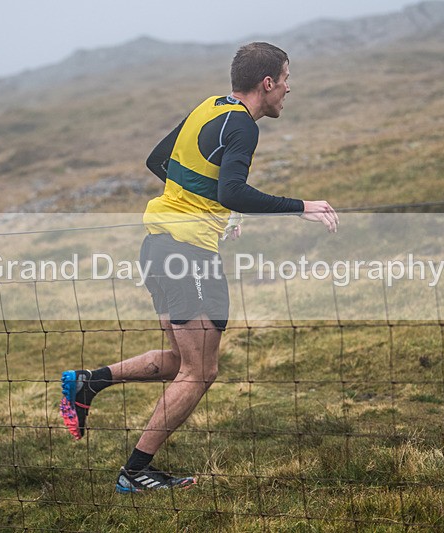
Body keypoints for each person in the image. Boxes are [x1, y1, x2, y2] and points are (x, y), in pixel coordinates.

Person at [60, 42, 339, 493]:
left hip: (158, 247)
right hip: (187, 255)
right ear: (267, 83)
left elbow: (159, 161)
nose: (290, 87)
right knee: (200, 372)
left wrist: (205, 209)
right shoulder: (244, 127)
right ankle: (134, 473)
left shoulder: (209, 107)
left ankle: (86, 383)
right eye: (286, 78)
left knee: (180, 362)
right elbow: (232, 191)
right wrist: (301, 206)